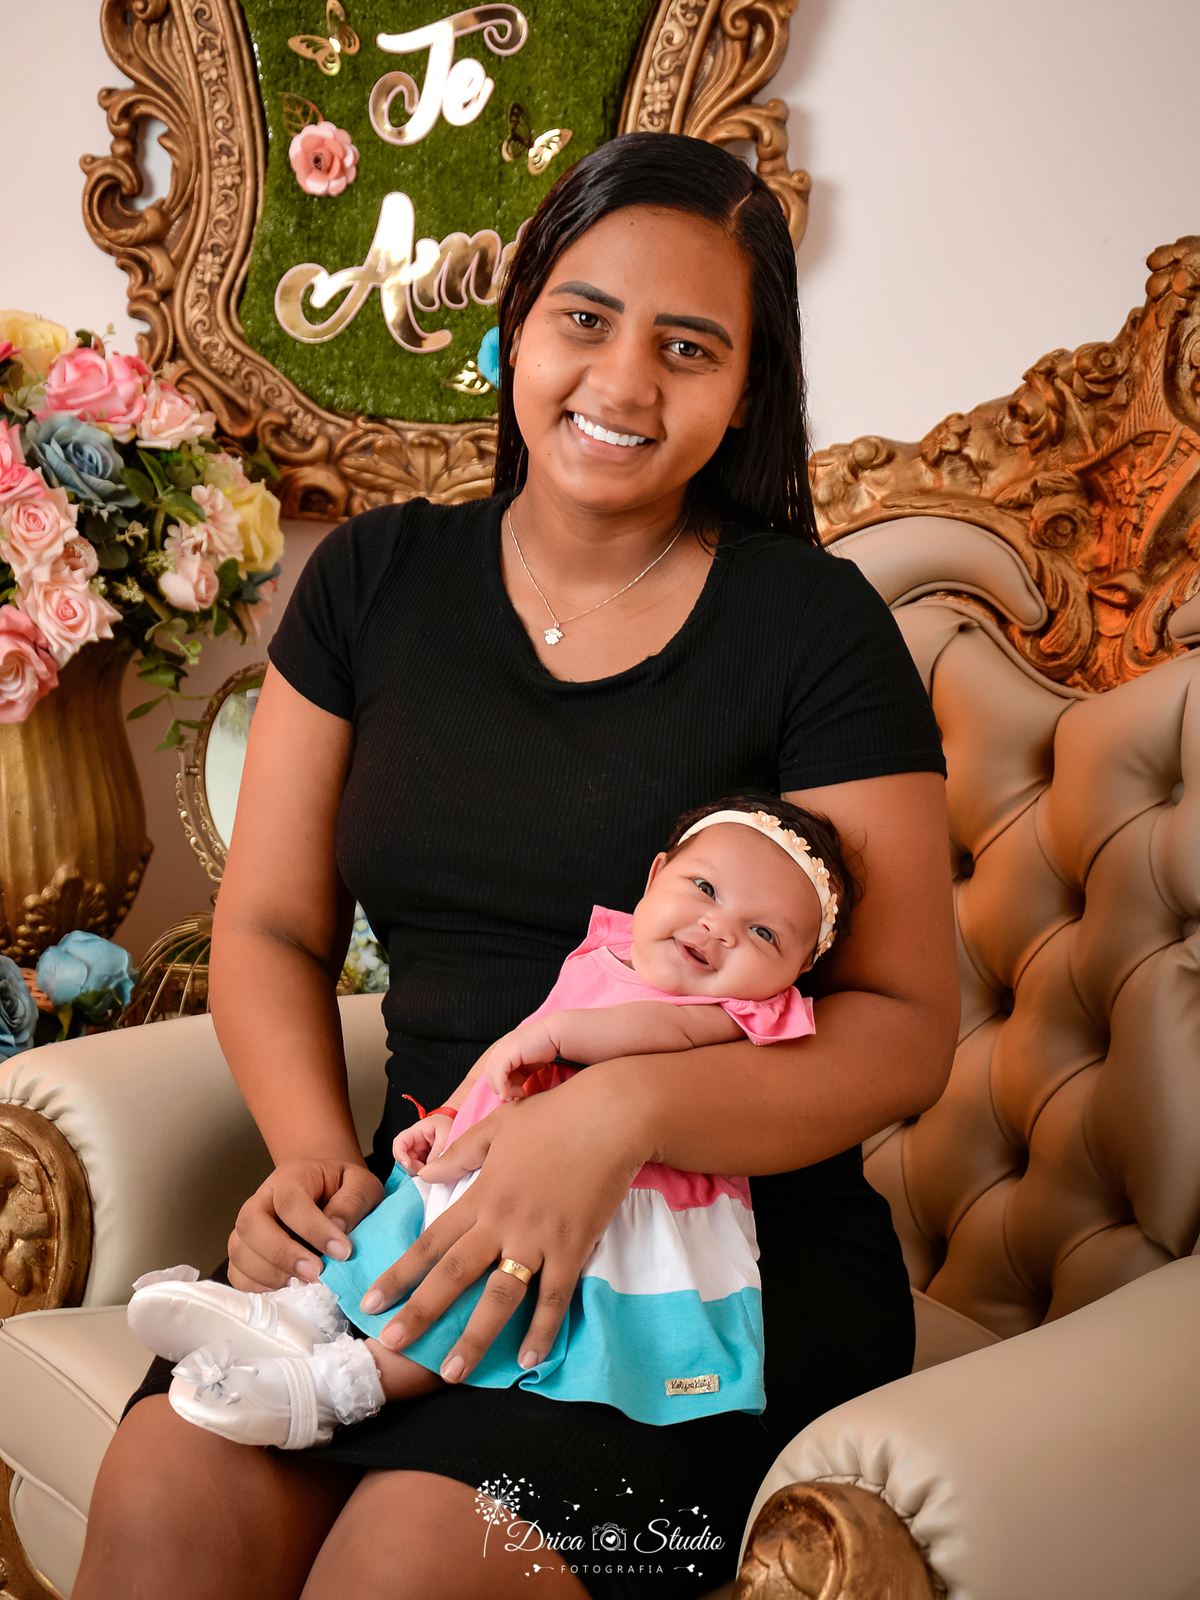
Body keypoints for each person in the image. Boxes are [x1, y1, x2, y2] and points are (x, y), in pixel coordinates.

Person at [74, 131, 957, 1600]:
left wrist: (621, 1117)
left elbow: (908, 1033)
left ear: (746, 394)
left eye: (690, 347)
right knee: (165, 1475)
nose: (621, 385)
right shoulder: (372, 581)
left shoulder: (816, 629)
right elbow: (279, 926)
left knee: (413, 1559)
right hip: (420, 1239)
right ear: (515, 325)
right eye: (585, 320)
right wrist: (311, 1160)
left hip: (707, 1283)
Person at [125, 795, 856, 1446]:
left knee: (486, 1299)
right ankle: (297, 1319)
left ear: (793, 975)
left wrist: (559, 1039)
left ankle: (341, 1388)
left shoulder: (739, 1013)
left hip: (610, 1206)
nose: (717, 927)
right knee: (399, 1235)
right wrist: (448, 1111)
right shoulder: (609, 949)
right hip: (494, 1157)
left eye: (764, 935)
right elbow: (519, 1038)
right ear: (656, 874)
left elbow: (655, 1037)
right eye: (702, 888)